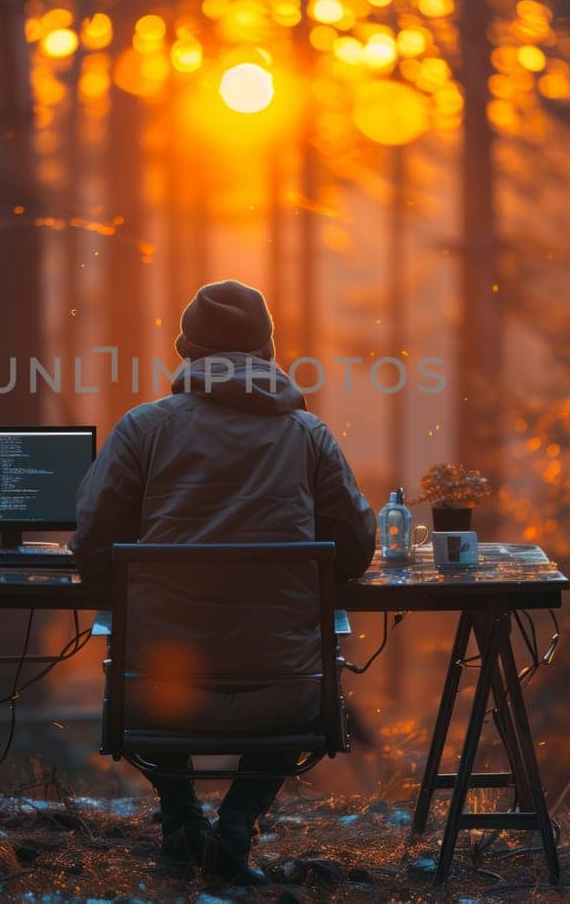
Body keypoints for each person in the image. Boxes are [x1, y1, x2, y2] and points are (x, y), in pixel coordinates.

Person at [71, 279, 376, 884]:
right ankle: (237, 822)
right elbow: (357, 549)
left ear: (187, 352)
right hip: (287, 687)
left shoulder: (142, 429)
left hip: (157, 688)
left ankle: (181, 822)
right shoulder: (307, 435)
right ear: (266, 351)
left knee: (162, 647)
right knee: (286, 654)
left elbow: (93, 552)